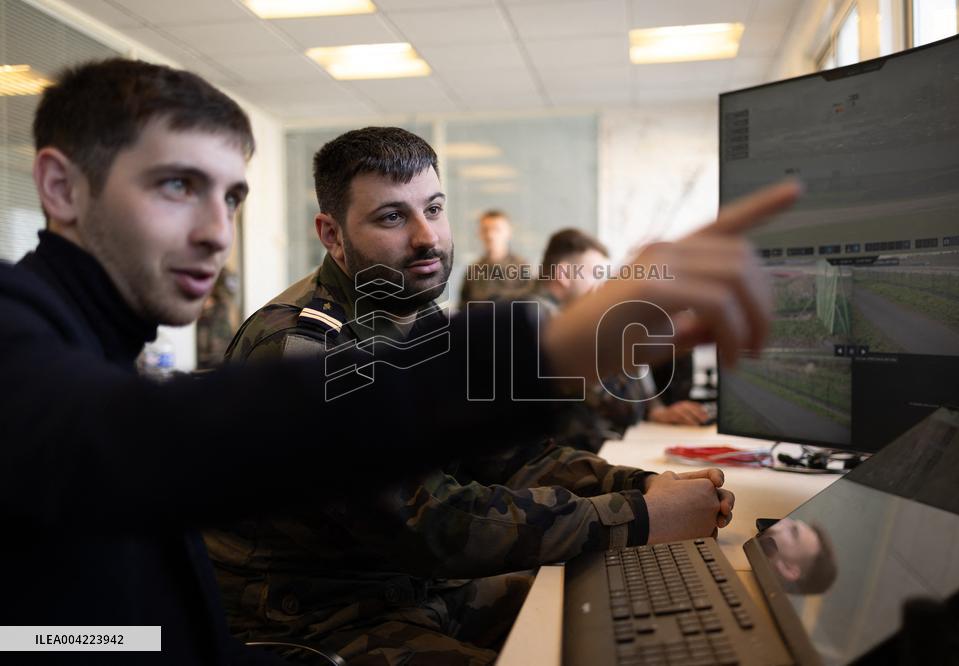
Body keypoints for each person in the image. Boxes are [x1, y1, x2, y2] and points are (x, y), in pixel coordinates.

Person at [0, 55, 798, 663]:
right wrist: (553, 354)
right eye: (177, 187)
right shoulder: (22, 347)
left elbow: (91, 622)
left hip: (389, 593)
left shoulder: (98, 350)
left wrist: (639, 489)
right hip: (321, 623)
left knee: (598, 616)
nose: (217, 232)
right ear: (61, 188)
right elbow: (232, 434)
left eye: (232, 196)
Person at [205, 127, 736, 665]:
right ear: (332, 235)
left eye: (434, 209)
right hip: (322, 620)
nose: (426, 237)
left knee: (612, 609)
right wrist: (637, 517)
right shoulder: (300, 347)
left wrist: (642, 485)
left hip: (413, 589)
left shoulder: (417, 317)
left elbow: (511, 457)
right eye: (391, 217)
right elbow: (428, 521)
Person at [532, 228, 711, 451]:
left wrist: (655, 410)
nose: (601, 285)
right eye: (596, 273)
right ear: (564, 274)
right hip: (571, 458)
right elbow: (619, 406)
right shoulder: (540, 319)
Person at [459, 209, 531, 306]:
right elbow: (463, 306)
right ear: (479, 233)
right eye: (485, 230)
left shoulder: (521, 267)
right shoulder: (473, 270)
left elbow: (530, 302)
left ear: (509, 232)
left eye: (497, 229)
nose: (490, 235)